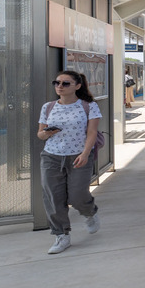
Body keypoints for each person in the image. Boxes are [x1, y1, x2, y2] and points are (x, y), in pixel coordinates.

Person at [36, 70, 101, 254]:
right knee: (53, 197)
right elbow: (40, 134)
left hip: (79, 155)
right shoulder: (48, 107)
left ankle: (90, 212)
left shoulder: (88, 106)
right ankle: (61, 235)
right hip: (51, 156)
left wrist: (86, 153)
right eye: (57, 83)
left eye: (65, 83)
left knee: (78, 195)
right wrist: (46, 133)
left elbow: (92, 133)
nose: (60, 87)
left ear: (77, 86)